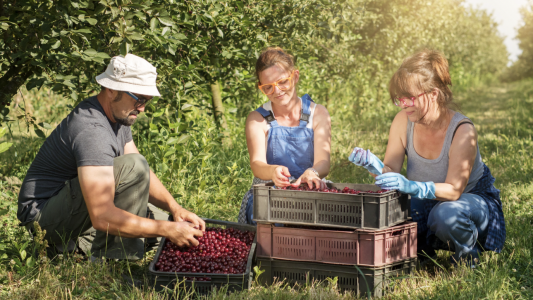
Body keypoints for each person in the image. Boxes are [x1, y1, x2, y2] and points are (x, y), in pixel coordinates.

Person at [17, 54, 205, 260]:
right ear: (112, 89)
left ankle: (76, 246)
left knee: (166, 223)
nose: (142, 108)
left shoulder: (119, 115)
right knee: (159, 227)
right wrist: (166, 229)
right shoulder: (92, 131)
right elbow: (102, 215)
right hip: (44, 220)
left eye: (147, 101)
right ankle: (112, 262)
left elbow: (142, 174)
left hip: (77, 206)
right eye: (139, 99)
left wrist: (175, 208)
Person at [349, 49, 505, 265]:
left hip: (468, 204)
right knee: (395, 208)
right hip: (427, 202)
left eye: (410, 98)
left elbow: (453, 190)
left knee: (445, 215)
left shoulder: (461, 130)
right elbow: (390, 171)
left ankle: (468, 256)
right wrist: (375, 166)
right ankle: (423, 255)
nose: (404, 104)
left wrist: (415, 187)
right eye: (399, 98)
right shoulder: (403, 121)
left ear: (433, 93)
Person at [237, 47, 332, 225]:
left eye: (282, 82)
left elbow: (324, 162)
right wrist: (272, 171)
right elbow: (257, 164)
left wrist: (312, 172)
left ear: (295, 77)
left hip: (310, 193)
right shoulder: (257, 119)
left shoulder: (318, 114)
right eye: (268, 87)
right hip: (270, 196)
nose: (277, 91)